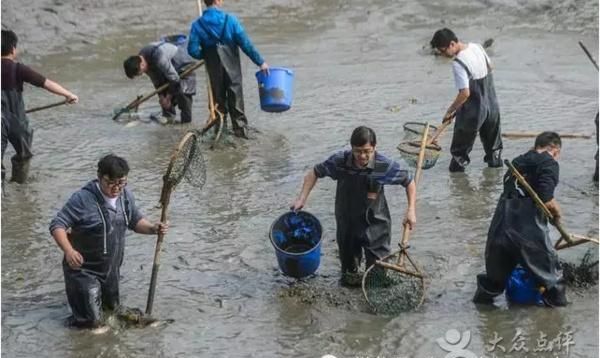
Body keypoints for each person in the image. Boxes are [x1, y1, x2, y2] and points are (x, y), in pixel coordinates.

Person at [49, 154, 168, 329]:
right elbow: (57, 225)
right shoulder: (82, 199)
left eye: (121, 182)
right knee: (93, 324)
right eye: (110, 182)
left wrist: (153, 229)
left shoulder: (125, 196)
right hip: (83, 270)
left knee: (112, 312)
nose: (116, 188)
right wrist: (69, 251)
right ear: (100, 177)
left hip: (110, 271)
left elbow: (135, 221)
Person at [291, 126, 416, 286]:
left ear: (374, 148)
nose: (362, 156)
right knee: (349, 276)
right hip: (347, 223)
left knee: (377, 277)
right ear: (351, 148)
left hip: (376, 225)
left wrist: (411, 210)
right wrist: (301, 198)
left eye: (367, 151)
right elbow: (314, 173)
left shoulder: (381, 166)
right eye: (358, 151)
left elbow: (409, 182)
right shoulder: (340, 162)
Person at [473, 132, 568, 307]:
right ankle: (560, 324)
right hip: (527, 231)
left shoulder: (517, 161)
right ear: (554, 150)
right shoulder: (549, 162)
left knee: (493, 281)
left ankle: (481, 319)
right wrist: (557, 214)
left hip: (500, 226)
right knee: (552, 280)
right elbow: (546, 199)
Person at [1, 29, 78, 183]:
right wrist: (68, 94)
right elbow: (45, 83)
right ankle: (19, 182)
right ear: (13, 49)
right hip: (15, 121)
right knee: (24, 153)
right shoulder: (18, 69)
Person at [187, 0, 269, 139]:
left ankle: (221, 137)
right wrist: (260, 62)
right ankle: (241, 135)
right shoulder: (230, 20)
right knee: (236, 107)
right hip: (233, 73)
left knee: (218, 107)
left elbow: (192, 50)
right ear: (218, 0)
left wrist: (206, 55)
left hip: (214, 72)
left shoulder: (197, 25)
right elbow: (246, 44)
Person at [430, 28, 503, 172]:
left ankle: (457, 187)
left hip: (474, 111)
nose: (444, 55)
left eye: (443, 50)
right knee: (494, 149)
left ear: (452, 44)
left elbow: (465, 93)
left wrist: (451, 110)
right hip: (492, 105)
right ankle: (495, 180)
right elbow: (490, 67)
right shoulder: (477, 47)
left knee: (459, 154)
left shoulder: (458, 63)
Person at [123, 40, 197, 124]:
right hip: (167, 70)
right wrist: (162, 97)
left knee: (183, 95)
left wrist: (168, 98)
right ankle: (169, 122)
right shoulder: (141, 59)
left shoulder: (158, 56)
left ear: (142, 65)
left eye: (139, 73)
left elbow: (174, 78)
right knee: (164, 102)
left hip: (182, 65)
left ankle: (186, 125)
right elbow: (156, 80)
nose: (141, 74)